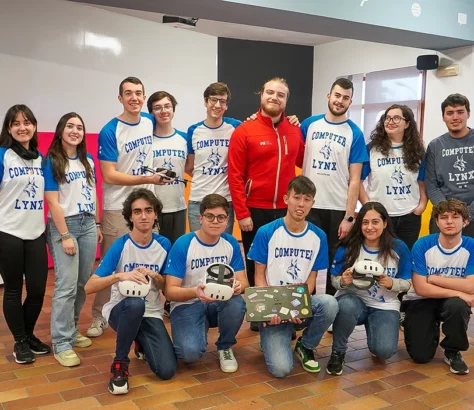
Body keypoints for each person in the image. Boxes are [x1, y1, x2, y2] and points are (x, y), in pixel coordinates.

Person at [87, 76, 170, 338]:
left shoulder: (149, 122)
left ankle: (146, 308)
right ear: (120, 98)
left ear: (144, 97)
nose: (134, 97)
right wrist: (148, 178)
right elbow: (109, 175)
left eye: (138, 93)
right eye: (128, 93)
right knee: (110, 265)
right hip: (116, 207)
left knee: (147, 260)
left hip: (147, 206)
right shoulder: (110, 130)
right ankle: (100, 316)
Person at [84, 188, 176, 395]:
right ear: (130, 217)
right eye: (137, 211)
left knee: (167, 370)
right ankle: (120, 363)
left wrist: (156, 276)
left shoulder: (163, 245)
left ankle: (139, 341)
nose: (143, 216)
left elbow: (168, 290)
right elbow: (89, 287)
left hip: (151, 312)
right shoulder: (121, 245)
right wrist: (119, 276)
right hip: (120, 310)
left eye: (148, 210)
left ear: (155, 214)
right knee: (135, 303)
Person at [248, 176, 338, 377]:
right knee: (281, 370)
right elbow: (259, 276)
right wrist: (268, 309)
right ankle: (272, 335)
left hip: (298, 303)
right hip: (274, 308)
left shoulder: (318, 236)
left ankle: (305, 346)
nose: (301, 204)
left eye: (307, 199)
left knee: (329, 303)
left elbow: (312, 279)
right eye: (297, 197)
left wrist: (300, 307)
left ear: (312, 203)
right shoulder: (266, 232)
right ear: (286, 198)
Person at [228, 77, 305, 294]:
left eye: (281, 95)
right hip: (254, 210)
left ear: (286, 101)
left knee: (283, 260)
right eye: (270, 92)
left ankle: (284, 308)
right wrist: (242, 213)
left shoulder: (294, 129)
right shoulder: (244, 131)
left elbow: (302, 160)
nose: (275, 97)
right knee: (256, 262)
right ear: (261, 95)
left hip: (285, 208)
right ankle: (258, 310)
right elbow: (234, 175)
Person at [43, 112, 103, 367]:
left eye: (80, 127)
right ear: (60, 131)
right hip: (64, 226)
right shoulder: (53, 160)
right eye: (70, 126)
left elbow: (93, 193)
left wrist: (97, 223)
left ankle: (72, 329)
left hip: (88, 223)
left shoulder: (86, 159)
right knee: (66, 285)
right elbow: (52, 201)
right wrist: (65, 235)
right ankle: (61, 342)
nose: (75, 131)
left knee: (82, 283)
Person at [164, 193, 248, 373]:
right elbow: (169, 291)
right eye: (210, 216)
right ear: (200, 218)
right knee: (189, 354)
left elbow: (244, 282)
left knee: (236, 302)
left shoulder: (230, 243)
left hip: (218, 302)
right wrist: (196, 292)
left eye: (221, 217)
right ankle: (197, 326)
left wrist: (238, 287)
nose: (215, 221)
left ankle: (225, 346)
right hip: (187, 304)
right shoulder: (184, 244)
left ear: (227, 220)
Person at [326, 202, 412, 376]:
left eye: (375, 222)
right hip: (353, 300)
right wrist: (342, 281)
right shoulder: (348, 246)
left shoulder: (398, 248)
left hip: (384, 304)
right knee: (347, 305)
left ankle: (375, 330)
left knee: (384, 351)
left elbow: (408, 282)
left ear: (385, 223)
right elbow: (334, 280)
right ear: (359, 224)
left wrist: (392, 283)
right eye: (365, 222)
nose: (370, 227)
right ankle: (338, 352)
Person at [301, 78, 368, 296]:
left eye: (345, 98)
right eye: (337, 95)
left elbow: (355, 179)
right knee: (305, 259)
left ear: (350, 101)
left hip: (337, 208)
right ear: (328, 96)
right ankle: (302, 309)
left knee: (335, 262)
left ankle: (330, 308)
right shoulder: (309, 124)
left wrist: (350, 216)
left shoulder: (355, 133)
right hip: (309, 205)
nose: (340, 101)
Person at [0, 104, 50, 364]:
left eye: (27, 122)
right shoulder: (2, 156)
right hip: (8, 232)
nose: (23, 127)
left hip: (35, 233)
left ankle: (28, 334)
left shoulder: (40, 158)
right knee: (12, 290)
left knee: (38, 291)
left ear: (34, 126)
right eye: (16, 123)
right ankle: (20, 341)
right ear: (9, 128)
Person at [403, 198, 474, 375]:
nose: (449, 221)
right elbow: (421, 288)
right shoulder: (423, 244)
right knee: (420, 356)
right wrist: (460, 291)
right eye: (444, 217)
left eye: (455, 217)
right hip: (422, 300)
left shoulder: (471, 246)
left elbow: (471, 285)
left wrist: (434, 279)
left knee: (458, 306)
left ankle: (452, 350)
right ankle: (423, 325)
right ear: (436, 221)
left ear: (465, 222)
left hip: (450, 301)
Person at [360, 104, 427, 250]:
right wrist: (369, 206)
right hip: (381, 216)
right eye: (388, 118)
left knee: (405, 259)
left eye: (396, 118)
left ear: (407, 124)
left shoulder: (418, 150)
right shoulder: (372, 149)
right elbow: (357, 180)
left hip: (409, 216)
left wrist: (421, 206)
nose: (390, 121)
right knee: (381, 258)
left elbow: (422, 181)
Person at [186, 82, 240, 235]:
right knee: (197, 245)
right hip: (198, 199)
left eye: (222, 101)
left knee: (223, 246)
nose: (217, 105)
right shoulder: (193, 130)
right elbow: (190, 166)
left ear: (226, 105)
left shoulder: (235, 127)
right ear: (205, 102)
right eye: (213, 100)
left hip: (225, 200)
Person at [425, 94, 474, 237]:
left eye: (460, 112)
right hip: (443, 215)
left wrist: (468, 214)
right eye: (450, 113)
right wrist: (447, 213)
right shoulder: (435, 146)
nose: (455, 117)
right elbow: (431, 184)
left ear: (468, 114)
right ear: (443, 117)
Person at [147, 91, 187, 244]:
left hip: (178, 206)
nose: (163, 111)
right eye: (158, 107)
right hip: (153, 208)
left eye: (167, 106)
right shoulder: (147, 140)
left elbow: (189, 166)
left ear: (173, 110)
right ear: (151, 112)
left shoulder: (184, 138)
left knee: (176, 252)